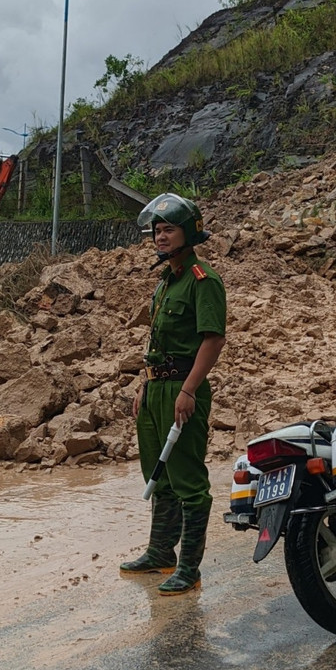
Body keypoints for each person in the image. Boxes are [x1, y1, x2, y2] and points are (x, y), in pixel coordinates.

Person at [120, 193, 227, 595]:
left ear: (189, 233)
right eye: (157, 230)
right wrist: (145, 385)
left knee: (187, 479)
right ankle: (160, 551)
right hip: (157, 388)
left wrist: (188, 390)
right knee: (158, 473)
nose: (160, 237)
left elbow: (212, 340)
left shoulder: (204, 280)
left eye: (169, 229)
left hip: (183, 389)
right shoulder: (167, 279)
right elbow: (157, 340)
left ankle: (189, 568)